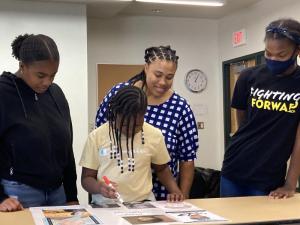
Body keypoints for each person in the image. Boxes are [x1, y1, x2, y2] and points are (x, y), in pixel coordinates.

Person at [95, 46, 199, 200]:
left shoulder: (180, 108)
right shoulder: (119, 95)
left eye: (169, 77)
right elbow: (100, 138)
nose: (163, 82)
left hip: (163, 194)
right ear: (146, 68)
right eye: (158, 75)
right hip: (116, 194)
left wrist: (183, 198)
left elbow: (187, 158)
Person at [221, 18, 300, 198]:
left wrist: (290, 184)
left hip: (268, 176)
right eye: (268, 53)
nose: (273, 59)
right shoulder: (248, 77)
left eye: (281, 55)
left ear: (297, 50)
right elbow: (242, 122)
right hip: (234, 166)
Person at [0, 34, 78, 212]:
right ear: (22, 66)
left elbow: (66, 147)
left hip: (57, 193)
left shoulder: (56, 93)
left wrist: (72, 196)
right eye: (41, 75)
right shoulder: (3, 93)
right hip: (17, 194)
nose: (47, 82)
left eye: (53, 75)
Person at [80, 86, 184, 203]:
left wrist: (175, 190)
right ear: (116, 114)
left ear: (144, 115)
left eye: (137, 126)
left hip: (144, 204)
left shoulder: (154, 135)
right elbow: (86, 178)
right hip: (105, 205)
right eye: (124, 126)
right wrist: (99, 187)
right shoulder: (96, 137)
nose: (130, 131)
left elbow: (162, 169)